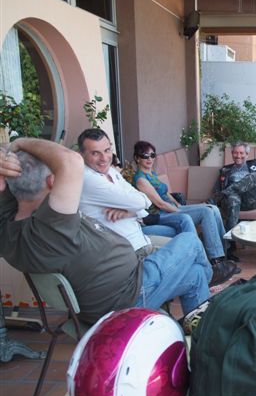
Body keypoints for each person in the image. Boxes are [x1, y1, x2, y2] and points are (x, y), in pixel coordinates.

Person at [0, 138, 213, 323]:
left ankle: (199, 334)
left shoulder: (8, 226)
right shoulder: (51, 226)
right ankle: (211, 294)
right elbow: (71, 161)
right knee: (190, 241)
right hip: (127, 296)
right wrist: (18, 143)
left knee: (195, 276)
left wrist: (5, 164)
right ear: (52, 181)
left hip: (111, 293)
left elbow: (5, 190)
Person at [76, 129, 233, 286]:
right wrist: (176, 210)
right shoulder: (94, 179)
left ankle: (222, 256)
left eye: (107, 150)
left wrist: (130, 210)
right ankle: (214, 266)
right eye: (95, 153)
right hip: (145, 230)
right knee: (191, 220)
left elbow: (146, 200)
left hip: (141, 233)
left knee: (211, 210)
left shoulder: (114, 173)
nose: (104, 158)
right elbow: (149, 203)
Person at [132, 140, 240, 277]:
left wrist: (178, 205)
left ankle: (223, 254)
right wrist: (179, 211)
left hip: (172, 208)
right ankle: (216, 261)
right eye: (145, 155)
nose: (149, 159)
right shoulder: (141, 180)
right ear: (137, 158)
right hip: (162, 214)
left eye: (152, 155)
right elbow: (160, 203)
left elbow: (165, 193)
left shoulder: (152, 174)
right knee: (206, 211)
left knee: (213, 208)